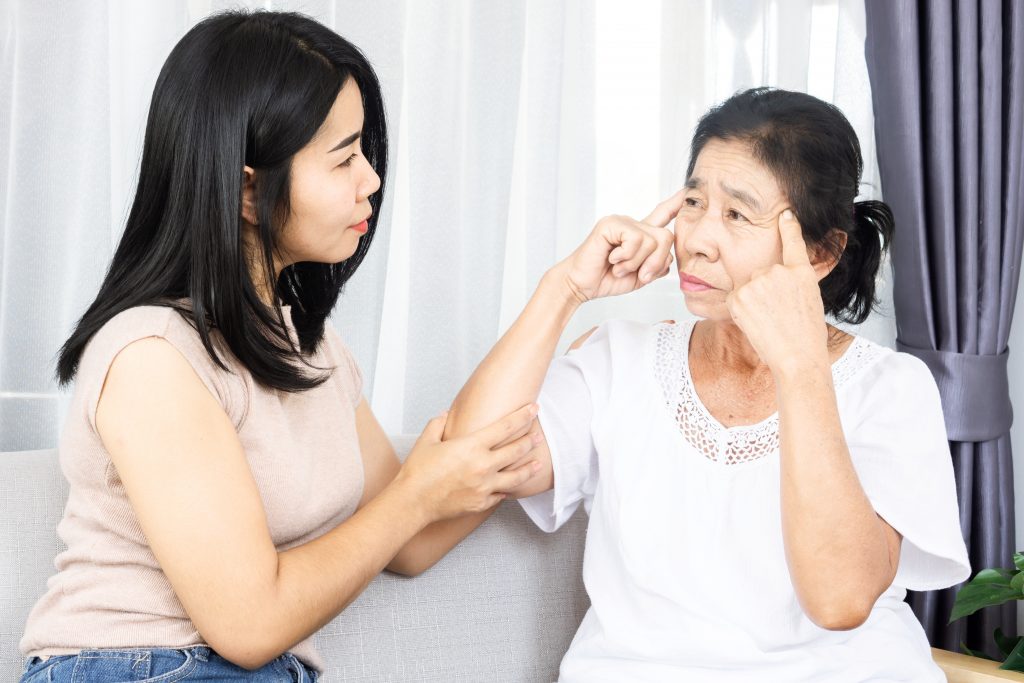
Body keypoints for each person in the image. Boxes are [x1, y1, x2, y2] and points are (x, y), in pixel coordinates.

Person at [19, 10, 546, 682]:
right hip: (137, 665)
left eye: (367, 153)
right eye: (345, 157)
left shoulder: (313, 347)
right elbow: (247, 624)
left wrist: (563, 295)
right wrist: (417, 492)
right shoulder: (151, 355)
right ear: (247, 187)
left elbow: (410, 539)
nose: (372, 181)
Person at [444, 87, 971, 681]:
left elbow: (840, 601)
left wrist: (800, 369)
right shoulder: (619, 362)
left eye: (737, 215)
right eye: (693, 202)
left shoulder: (891, 389)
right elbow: (462, 466)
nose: (696, 239)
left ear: (820, 255)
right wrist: (565, 288)